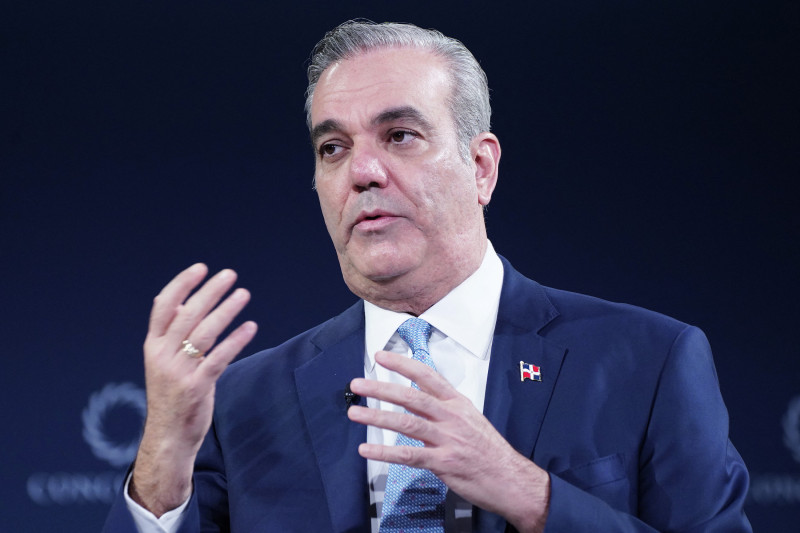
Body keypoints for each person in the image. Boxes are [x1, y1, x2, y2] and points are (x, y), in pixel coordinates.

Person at [103, 20, 752, 533]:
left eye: (401, 135)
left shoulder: (651, 362)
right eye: (333, 148)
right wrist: (163, 453)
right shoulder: (245, 399)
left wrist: (534, 497)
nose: (362, 171)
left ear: (482, 168)